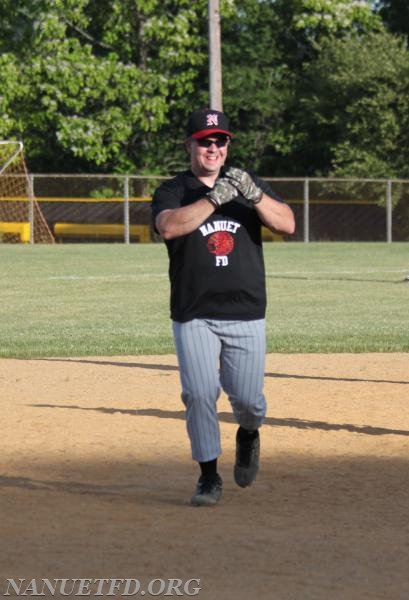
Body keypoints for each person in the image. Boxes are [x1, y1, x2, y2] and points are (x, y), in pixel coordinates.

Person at [151, 108, 295, 507]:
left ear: (228, 145)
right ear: (189, 145)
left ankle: (248, 433)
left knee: (248, 401)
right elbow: (169, 226)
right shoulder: (174, 190)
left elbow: (287, 224)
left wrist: (255, 194)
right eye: (204, 140)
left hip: (246, 310)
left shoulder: (248, 184)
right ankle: (209, 476)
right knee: (199, 394)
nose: (212, 147)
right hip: (193, 311)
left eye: (220, 140)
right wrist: (215, 199)